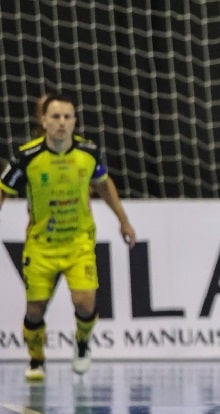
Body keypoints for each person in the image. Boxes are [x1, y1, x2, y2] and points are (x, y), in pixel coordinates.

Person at [0, 93, 137, 380]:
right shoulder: (27, 157)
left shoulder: (88, 154)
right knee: (35, 309)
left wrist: (123, 221)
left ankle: (83, 343)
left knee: (85, 300)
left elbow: (104, 185)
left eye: (67, 117)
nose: (61, 123)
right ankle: (36, 360)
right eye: (55, 117)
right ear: (44, 121)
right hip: (41, 245)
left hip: (79, 242)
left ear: (74, 120)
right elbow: (3, 189)